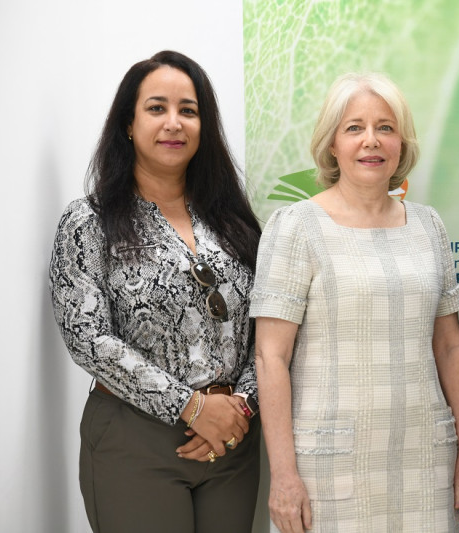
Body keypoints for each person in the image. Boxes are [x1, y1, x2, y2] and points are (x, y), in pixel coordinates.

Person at [251, 72, 459, 533]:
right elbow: (269, 356)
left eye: (385, 127)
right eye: (354, 127)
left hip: (425, 461)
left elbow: (451, 347)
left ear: (402, 142)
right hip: (328, 467)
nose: (371, 141)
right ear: (332, 144)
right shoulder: (296, 227)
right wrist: (283, 476)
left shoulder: (427, 225)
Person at [49, 50, 262, 533]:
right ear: (128, 123)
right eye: (156, 108)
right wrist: (192, 407)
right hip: (135, 436)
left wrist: (239, 409)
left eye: (188, 110)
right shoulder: (89, 221)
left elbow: (266, 327)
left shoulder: (233, 222)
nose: (174, 123)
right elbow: (88, 337)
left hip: (231, 440)